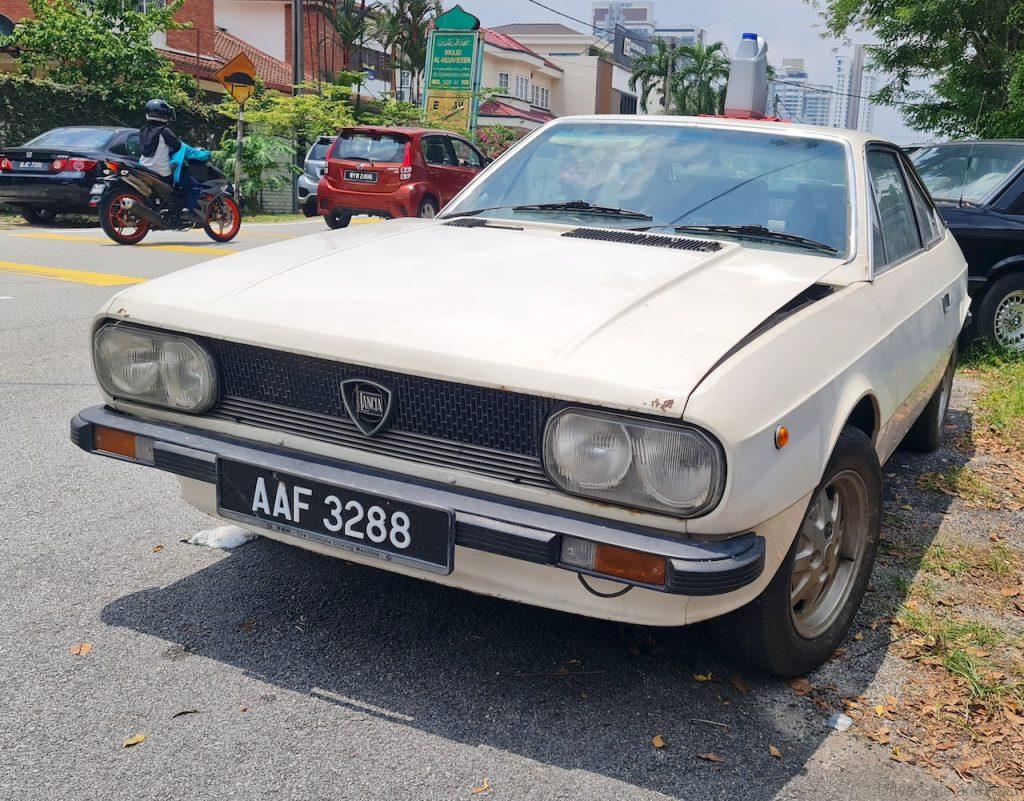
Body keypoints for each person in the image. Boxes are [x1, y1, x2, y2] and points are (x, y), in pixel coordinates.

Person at [138, 98, 207, 221]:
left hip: (144, 168)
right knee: (194, 186)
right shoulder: (164, 131)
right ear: (162, 114)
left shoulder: (142, 130)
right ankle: (187, 210)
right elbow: (178, 146)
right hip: (161, 170)